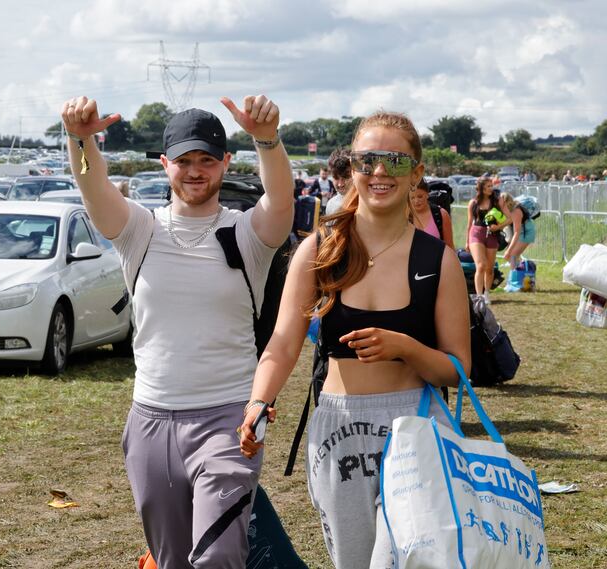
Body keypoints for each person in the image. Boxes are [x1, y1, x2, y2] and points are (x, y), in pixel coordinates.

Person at [61, 94, 294, 568]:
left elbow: (282, 199)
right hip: (151, 423)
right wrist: (80, 138)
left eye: (207, 160)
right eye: (184, 160)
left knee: (218, 557)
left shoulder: (248, 233)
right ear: (165, 163)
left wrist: (267, 140)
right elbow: (95, 189)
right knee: (172, 561)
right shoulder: (138, 230)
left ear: (227, 163)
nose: (195, 171)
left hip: (230, 422)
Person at [238, 111, 470, 568]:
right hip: (338, 429)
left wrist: (406, 348)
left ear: (416, 172)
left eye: (395, 161)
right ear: (352, 168)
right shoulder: (319, 249)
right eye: (367, 160)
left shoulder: (437, 260)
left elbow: (459, 369)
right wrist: (257, 403)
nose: (380, 172)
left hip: (417, 425)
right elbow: (282, 342)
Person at [465, 176, 511, 303]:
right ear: (481, 188)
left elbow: (509, 218)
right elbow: (469, 224)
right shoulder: (473, 203)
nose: (491, 188)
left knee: (489, 269)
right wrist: (467, 241)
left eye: (492, 186)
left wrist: (498, 227)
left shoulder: (498, 201)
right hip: (476, 233)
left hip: (492, 235)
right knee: (480, 265)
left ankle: (486, 294)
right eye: (488, 186)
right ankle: (479, 296)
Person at [411, 179, 454, 249]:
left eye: (420, 196)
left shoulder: (441, 214)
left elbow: (450, 247)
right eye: (412, 198)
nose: (416, 201)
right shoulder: (403, 216)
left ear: (427, 194)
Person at [500, 192, 535, 268]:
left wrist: (509, 250)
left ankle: (516, 276)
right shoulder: (508, 210)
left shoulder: (516, 211)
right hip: (521, 232)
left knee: (512, 255)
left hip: (526, 233)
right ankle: (521, 274)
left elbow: (517, 232)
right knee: (513, 257)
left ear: (506, 202)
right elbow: (509, 222)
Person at [324, 148, 351, 216]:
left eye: (345, 177)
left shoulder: (367, 204)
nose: (340, 184)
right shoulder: (331, 205)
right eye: (336, 178)